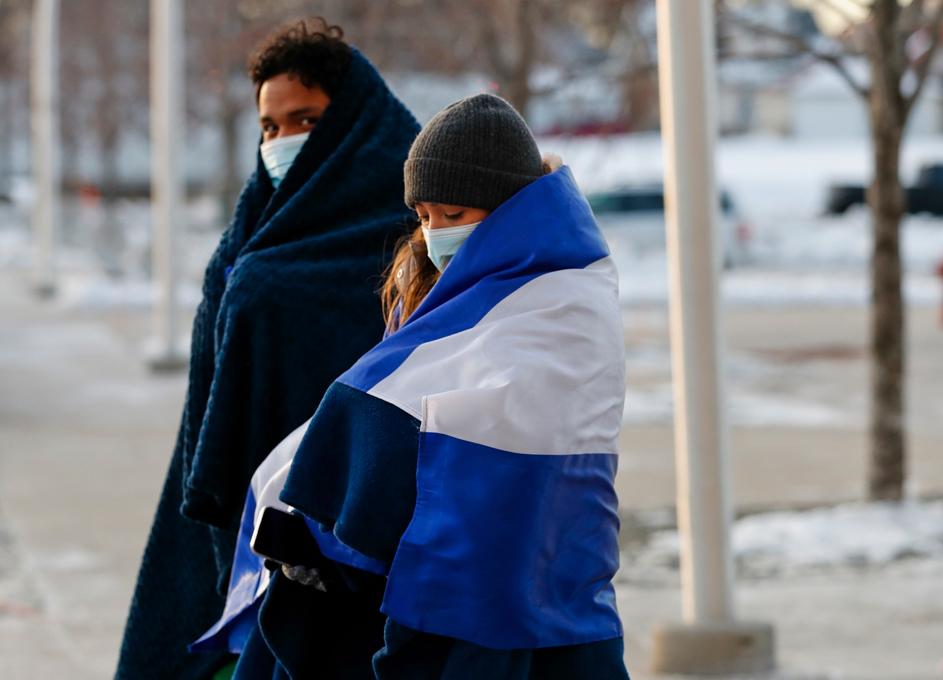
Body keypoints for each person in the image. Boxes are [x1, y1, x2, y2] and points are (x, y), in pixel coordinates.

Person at [194, 94, 630, 679]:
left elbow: (452, 407)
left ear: (508, 209)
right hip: (459, 563)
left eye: (452, 214)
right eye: (423, 216)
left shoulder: (565, 296)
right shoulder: (436, 286)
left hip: (537, 556)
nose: (433, 234)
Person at [115, 19, 420, 680]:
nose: (282, 143)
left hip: (341, 523)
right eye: (270, 127)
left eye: (304, 120)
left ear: (351, 125)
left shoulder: (406, 228)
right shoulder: (259, 221)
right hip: (232, 503)